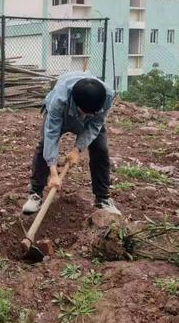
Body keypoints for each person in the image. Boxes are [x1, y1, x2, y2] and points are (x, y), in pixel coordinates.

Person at [22, 71, 121, 216]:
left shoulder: (107, 97)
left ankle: (103, 198)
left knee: (100, 148)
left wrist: (77, 150)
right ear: (76, 104)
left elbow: (95, 124)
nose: (89, 116)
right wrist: (54, 173)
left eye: (93, 113)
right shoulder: (59, 101)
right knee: (44, 145)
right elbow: (52, 135)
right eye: (86, 113)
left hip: (90, 116)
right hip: (63, 113)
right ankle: (35, 194)